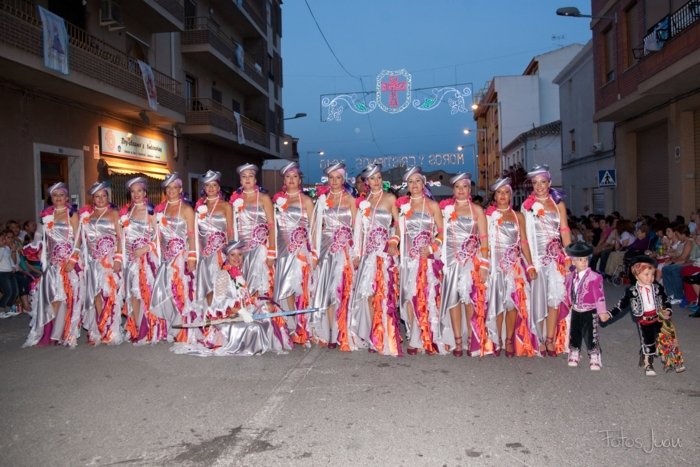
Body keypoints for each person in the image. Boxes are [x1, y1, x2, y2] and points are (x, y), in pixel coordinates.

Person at [171, 240, 291, 356]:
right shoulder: (223, 274)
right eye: (233, 255)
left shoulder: (238, 274)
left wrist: (256, 305)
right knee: (255, 328)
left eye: (239, 255)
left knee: (268, 309)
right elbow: (219, 303)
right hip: (225, 318)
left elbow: (244, 298)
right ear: (227, 257)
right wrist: (240, 311)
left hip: (239, 314)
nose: (237, 258)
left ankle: (264, 343)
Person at [349, 163, 402, 355]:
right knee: (369, 295)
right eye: (372, 178)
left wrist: (394, 241)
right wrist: (357, 254)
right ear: (366, 182)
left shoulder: (390, 198)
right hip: (367, 255)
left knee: (384, 295)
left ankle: (386, 337)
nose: (376, 181)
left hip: (384, 254)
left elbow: (399, 224)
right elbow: (358, 231)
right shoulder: (363, 202)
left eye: (379, 177)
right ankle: (374, 335)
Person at [603, 256, 686, 376]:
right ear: (636, 275)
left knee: (667, 340)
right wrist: (609, 314)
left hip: (659, 318)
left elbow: (666, 299)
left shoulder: (657, 288)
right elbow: (621, 305)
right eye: (646, 274)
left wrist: (668, 310)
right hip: (644, 321)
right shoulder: (632, 291)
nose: (650, 277)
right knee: (648, 342)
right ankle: (648, 363)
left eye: (652, 274)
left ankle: (672, 361)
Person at [437, 173, 490, 357]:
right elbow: (439, 233)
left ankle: (471, 338)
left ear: (470, 189)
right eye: (457, 187)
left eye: (464, 187)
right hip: (451, 262)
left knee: (469, 300)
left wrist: (484, 265)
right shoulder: (445, 210)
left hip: (471, 262)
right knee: (453, 300)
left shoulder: (477, 210)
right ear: (453, 189)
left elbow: (484, 239)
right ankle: (457, 340)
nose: (461, 190)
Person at [24, 182, 83, 347]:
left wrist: (73, 259)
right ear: (51, 198)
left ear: (67, 197)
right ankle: (52, 333)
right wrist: (35, 247)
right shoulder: (46, 215)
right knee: (53, 297)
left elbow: (78, 238)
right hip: (52, 264)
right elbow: (39, 236)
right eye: (55, 195)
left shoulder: (72, 214)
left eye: (61, 195)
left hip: (68, 262)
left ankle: (63, 333)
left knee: (67, 298)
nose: (58, 198)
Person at [484, 177, 538, 357]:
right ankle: (496, 339)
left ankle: (508, 340)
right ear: (494, 196)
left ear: (510, 196)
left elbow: (524, 242)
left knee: (512, 304)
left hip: (514, 266)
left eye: (506, 192)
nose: (502, 196)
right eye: (499, 192)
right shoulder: (488, 216)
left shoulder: (518, 216)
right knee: (497, 303)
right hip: (495, 266)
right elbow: (483, 242)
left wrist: (530, 265)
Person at [521, 164, 571, 356]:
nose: (539, 186)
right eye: (535, 183)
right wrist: (529, 263)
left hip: (555, 258)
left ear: (549, 183)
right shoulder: (527, 206)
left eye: (543, 182)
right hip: (536, 258)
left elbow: (564, 231)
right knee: (538, 299)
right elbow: (524, 237)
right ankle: (539, 338)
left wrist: (569, 256)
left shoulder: (558, 204)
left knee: (554, 298)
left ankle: (550, 339)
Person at [397, 167, 445, 355]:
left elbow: (442, 232)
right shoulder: (403, 207)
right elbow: (398, 232)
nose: (414, 185)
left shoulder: (432, 205)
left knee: (424, 296)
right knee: (408, 297)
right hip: (408, 259)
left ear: (424, 183)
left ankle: (424, 335)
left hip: (426, 259)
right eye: (410, 182)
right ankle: (413, 334)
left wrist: (433, 247)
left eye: (417, 181)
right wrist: (393, 242)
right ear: (407, 186)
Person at [310, 162, 357, 349]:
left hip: (344, 250)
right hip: (326, 250)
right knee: (327, 291)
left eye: (338, 178)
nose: (335, 181)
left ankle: (342, 330)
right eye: (331, 178)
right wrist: (314, 253)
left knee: (342, 290)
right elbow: (316, 228)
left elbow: (357, 228)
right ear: (327, 179)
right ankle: (329, 332)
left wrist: (356, 252)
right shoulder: (322, 199)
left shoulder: (351, 199)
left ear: (343, 179)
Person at [272, 162, 315, 346]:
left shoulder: (306, 200)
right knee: (286, 288)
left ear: (299, 180)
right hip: (283, 251)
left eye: (295, 177)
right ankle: (291, 324)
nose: (291, 180)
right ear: (284, 180)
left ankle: (303, 324)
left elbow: (314, 228)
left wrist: (313, 252)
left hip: (300, 251)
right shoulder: (278, 201)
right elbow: (273, 227)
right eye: (288, 177)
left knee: (301, 288)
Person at [151, 173, 198, 342]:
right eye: (168, 188)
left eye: (175, 187)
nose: (171, 191)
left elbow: (192, 235)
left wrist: (192, 257)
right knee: (167, 293)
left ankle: (184, 331)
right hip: (165, 258)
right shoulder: (160, 210)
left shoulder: (186, 209)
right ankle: (173, 327)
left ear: (180, 189)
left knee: (181, 293)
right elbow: (156, 235)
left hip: (181, 258)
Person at [78, 181, 124, 345]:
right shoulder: (87, 216)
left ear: (107, 197)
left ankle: (111, 330)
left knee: (109, 294)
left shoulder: (113, 213)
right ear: (93, 198)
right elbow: (81, 239)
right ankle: (98, 328)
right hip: (92, 261)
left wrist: (118, 258)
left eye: (103, 196)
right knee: (95, 294)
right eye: (97, 197)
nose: (100, 199)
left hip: (109, 261)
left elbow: (120, 238)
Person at [120, 177, 163, 344]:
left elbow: (159, 237)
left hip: (146, 259)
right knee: (132, 294)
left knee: (145, 293)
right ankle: (138, 328)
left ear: (145, 193)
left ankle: (149, 329)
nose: (136, 194)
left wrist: (145, 249)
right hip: (131, 260)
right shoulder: (127, 212)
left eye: (139, 191)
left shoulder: (151, 211)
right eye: (133, 191)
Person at [561, 242, 606, 370]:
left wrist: (602, 311)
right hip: (575, 309)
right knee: (575, 332)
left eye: (586, 259)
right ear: (573, 261)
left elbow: (599, 296)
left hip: (589, 310)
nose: (584, 262)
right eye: (580, 260)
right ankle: (574, 352)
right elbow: (567, 289)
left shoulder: (594, 277)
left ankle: (594, 355)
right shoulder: (570, 276)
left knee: (591, 333)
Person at [194, 170, 233, 308]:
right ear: (204, 188)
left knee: (220, 288)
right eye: (207, 185)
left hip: (220, 254)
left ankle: (220, 314)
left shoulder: (226, 206)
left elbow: (230, 231)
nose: (210, 188)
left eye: (214, 185)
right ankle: (209, 316)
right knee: (207, 289)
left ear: (218, 187)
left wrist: (231, 254)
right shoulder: (199, 207)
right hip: (204, 255)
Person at [0, 230, 19, 318]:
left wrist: (13, 266)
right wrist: (1, 248)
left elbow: (11, 260)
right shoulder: (2, 249)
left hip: (10, 272)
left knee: (15, 292)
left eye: (12, 238)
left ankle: (8, 309)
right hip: (2, 273)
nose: (5, 241)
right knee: (8, 292)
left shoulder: (7, 248)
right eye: (3, 239)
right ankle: (1, 310)